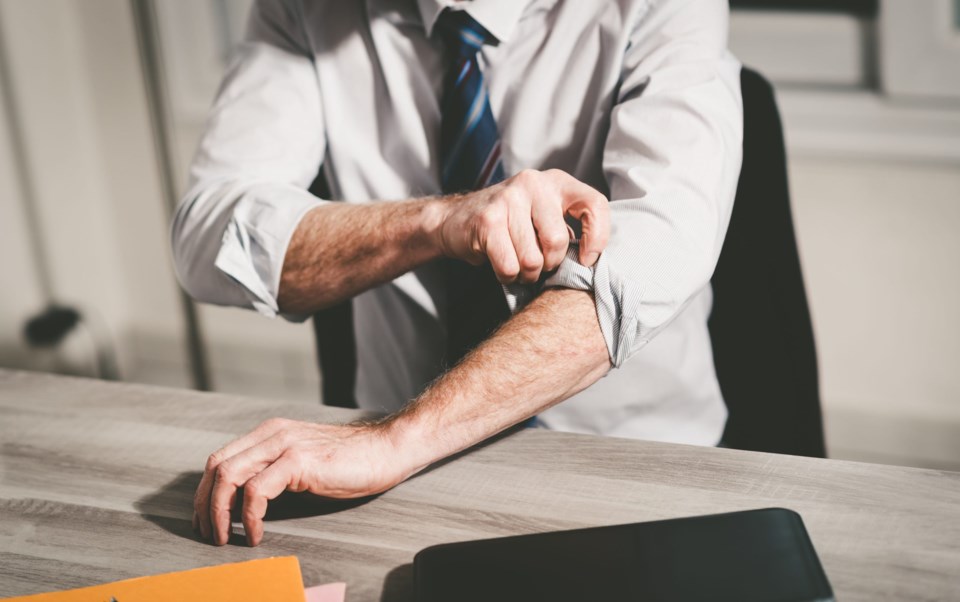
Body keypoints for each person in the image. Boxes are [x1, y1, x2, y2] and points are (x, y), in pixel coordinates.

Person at [172, 0, 742, 547]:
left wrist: (395, 442)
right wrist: (435, 221)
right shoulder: (304, 6)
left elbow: (650, 256)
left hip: (633, 472)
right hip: (394, 488)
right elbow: (206, 239)